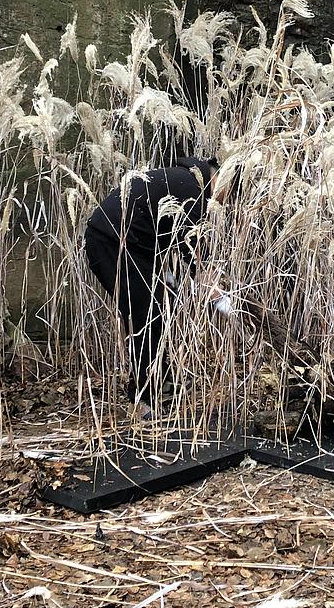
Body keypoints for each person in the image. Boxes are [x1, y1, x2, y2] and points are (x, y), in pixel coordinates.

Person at [83, 157, 229, 416]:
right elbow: (194, 253)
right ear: (221, 179)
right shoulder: (193, 189)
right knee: (149, 317)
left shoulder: (181, 179)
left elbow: (159, 228)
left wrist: (168, 274)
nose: (222, 203)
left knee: (161, 309)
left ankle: (162, 384)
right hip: (113, 244)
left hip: (124, 244)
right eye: (227, 195)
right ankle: (142, 401)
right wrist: (222, 300)